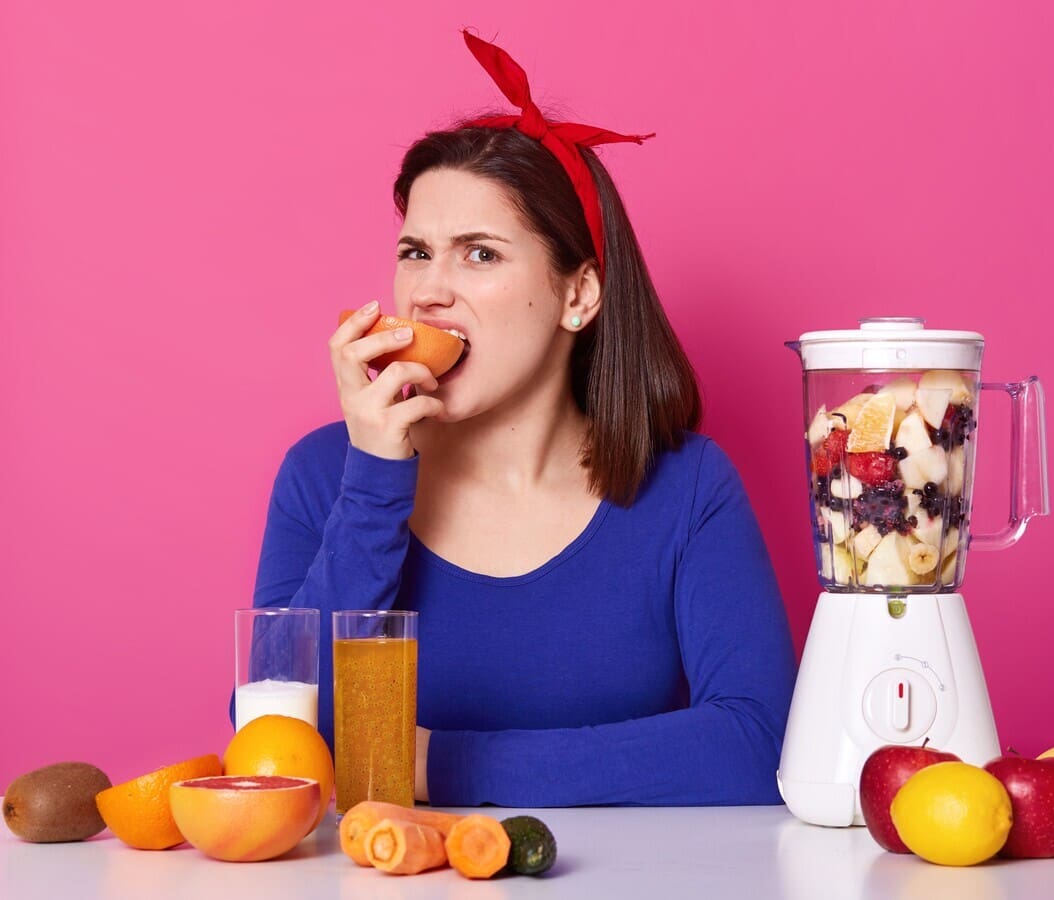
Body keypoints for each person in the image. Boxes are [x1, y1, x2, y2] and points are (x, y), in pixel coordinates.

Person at [251, 31, 796, 807]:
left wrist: (442, 765)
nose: (429, 292)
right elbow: (274, 745)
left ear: (579, 295)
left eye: (479, 255)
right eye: (415, 251)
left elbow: (758, 744)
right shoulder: (323, 474)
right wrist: (373, 480)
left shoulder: (688, 487)